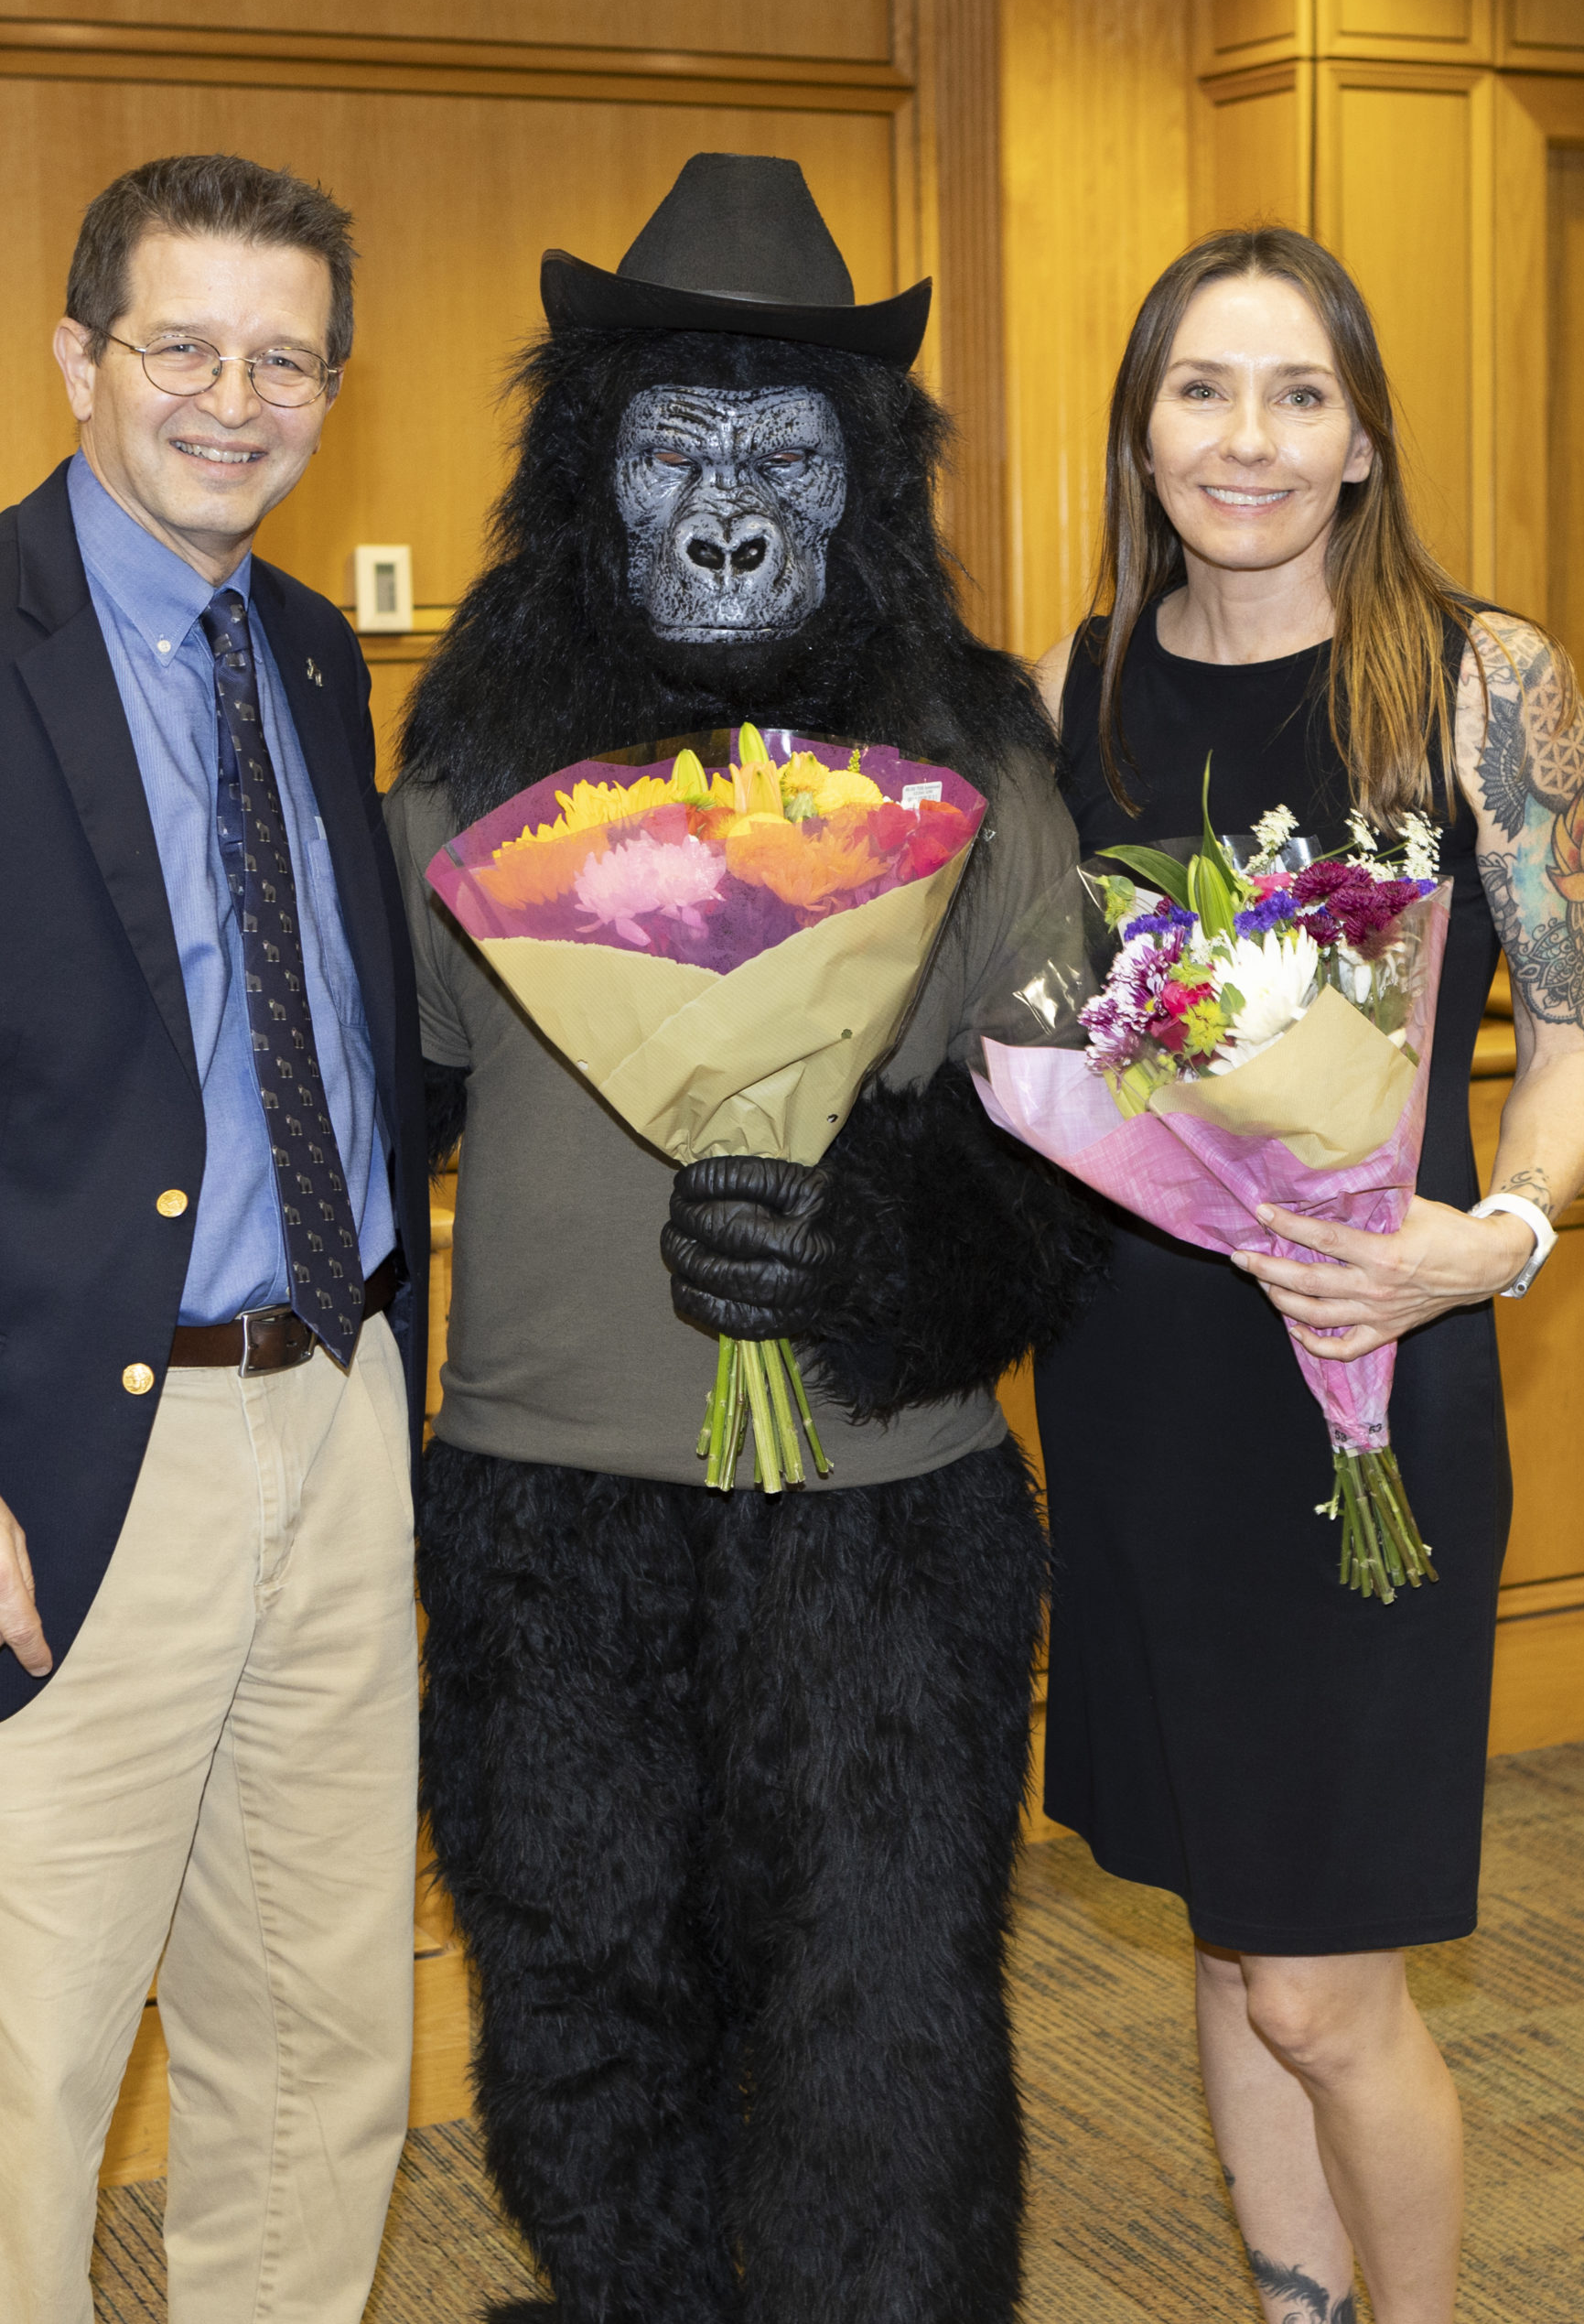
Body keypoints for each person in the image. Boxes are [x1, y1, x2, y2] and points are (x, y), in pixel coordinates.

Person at [389, 156, 1101, 2324]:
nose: (721, 518)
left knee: (880, 2038)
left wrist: (892, 1247)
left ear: (864, 494)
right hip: (546, 1507)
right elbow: (392, 1095)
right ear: (580, 477)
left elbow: (1076, 1149)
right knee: (581, 2011)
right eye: (673, 455)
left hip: (880, 1523)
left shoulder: (973, 742)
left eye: (777, 463)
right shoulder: (469, 744)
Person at [0, 153, 426, 2323]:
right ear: (78, 357)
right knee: (25, 2088)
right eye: (184, 345)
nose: (237, 395)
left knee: (323, 2056)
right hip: (38, 1458)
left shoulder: (311, 651)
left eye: (285, 355)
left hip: (336, 1411)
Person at [1031, 226, 1584, 2324]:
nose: (1247, 438)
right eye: (1202, 389)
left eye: (1296, 394)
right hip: (1139, 1406)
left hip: (1383, 1367)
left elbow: (1573, 1037)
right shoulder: (1066, 691)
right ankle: (1295, 2304)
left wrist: (1499, 1235)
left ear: (1363, 435)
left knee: (1318, 1977)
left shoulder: (1481, 681)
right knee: (1221, 1919)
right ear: (1144, 423)